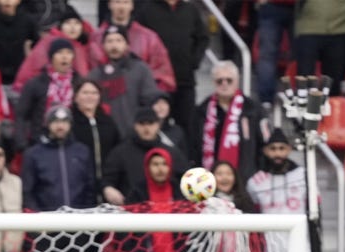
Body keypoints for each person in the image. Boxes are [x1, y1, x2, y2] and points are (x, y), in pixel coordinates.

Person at [134, 0, 208, 131]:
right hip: (157, 84)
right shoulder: (146, 10)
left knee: (187, 127)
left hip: (185, 81)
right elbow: (138, 40)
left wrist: (193, 62)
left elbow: (202, 38)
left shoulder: (191, 10)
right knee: (158, 126)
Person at [247, 129, 306, 252]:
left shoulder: (303, 176)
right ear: (265, 151)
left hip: (301, 250)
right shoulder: (255, 182)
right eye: (273, 149)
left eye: (281, 148)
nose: (277, 154)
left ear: (289, 149)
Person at [190, 61, 262, 181]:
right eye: (220, 81)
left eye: (229, 80)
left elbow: (261, 144)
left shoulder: (251, 108)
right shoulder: (202, 110)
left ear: (237, 81)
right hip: (210, 178)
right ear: (213, 82)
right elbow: (195, 144)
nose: (224, 84)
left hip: (244, 178)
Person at [87, 24, 159, 139]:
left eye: (118, 40)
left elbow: (150, 100)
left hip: (134, 134)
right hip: (105, 135)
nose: (114, 45)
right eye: (109, 41)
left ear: (127, 44)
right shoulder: (96, 74)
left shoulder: (140, 69)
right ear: (103, 45)